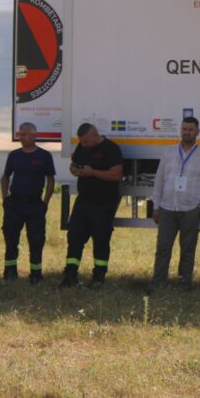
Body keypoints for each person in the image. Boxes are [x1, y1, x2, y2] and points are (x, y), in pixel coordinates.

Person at [148, 116, 200, 291]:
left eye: (190, 130)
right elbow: (159, 181)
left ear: (197, 132)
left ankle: (184, 283)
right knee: (163, 248)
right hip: (167, 208)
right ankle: (158, 282)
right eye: (184, 129)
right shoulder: (168, 152)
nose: (187, 132)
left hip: (190, 209)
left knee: (187, 249)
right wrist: (156, 206)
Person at [60, 123, 123, 287]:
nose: (84, 145)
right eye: (82, 142)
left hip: (103, 203)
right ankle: (70, 275)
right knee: (74, 237)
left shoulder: (111, 149)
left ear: (95, 135)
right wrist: (74, 169)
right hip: (83, 201)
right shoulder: (82, 147)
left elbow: (116, 175)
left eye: (87, 142)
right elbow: (73, 163)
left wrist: (92, 172)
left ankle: (98, 277)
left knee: (101, 239)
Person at [1, 122, 56, 283]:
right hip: (14, 204)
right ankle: (10, 272)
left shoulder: (44, 156)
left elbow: (51, 180)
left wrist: (45, 203)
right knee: (11, 239)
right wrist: (5, 198)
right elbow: (5, 177)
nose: (21, 138)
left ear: (34, 136)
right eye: (20, 135)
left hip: (35, 205)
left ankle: (36, 274)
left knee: (36, 240)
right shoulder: (14, 155)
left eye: (25, 134)